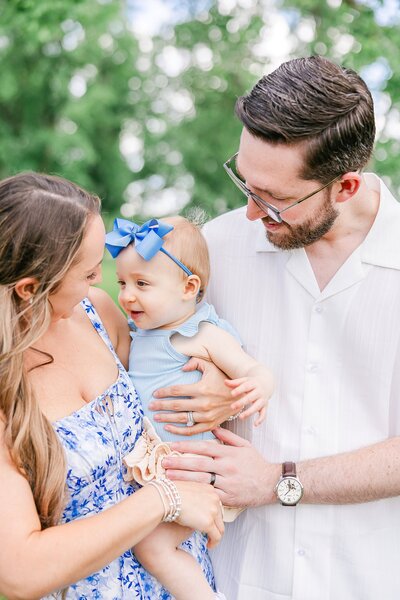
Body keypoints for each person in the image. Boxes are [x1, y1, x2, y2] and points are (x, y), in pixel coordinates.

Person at [152, 56, 400, 600]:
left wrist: (277, 480)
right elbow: (144, 356)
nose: (248, 212)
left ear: (346, 186)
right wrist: (204, 378)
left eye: (275, 200)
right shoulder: (211, 250)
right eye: (244, 182)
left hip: (369, 580)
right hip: (233, 579)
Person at [0, 172, 224, 600]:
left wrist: (211, 380)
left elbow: (163, 362)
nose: (100, 285)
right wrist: (163, 498)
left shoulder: (98, 315)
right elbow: (19, 572)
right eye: (87, 274)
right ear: (30, 289)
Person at [104, 213, 274, 600]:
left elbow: (252, 369)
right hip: (156, 470)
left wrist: (259, 387)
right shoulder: (140, 334)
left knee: (153, 546)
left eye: (142, 284)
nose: (127, 295)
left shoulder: (201, 333)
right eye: (123, 283)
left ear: (188, 286)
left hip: (191, 474)